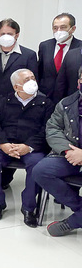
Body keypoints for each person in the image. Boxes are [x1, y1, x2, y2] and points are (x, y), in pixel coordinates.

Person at [0, 69, 53, 226]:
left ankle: (28, 208)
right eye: (27, 80)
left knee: (37, 164)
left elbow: (48, 129)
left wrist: (28, 146)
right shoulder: (4, 102)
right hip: (6, 145)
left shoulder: (46, 103)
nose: (32, 82)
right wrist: (3, 144)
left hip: (31, 148)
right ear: (16, 87)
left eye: (33, 78)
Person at [32, 66, 82, 237]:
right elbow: (53, 128)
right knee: (40, 170)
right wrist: (68, 151)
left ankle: (74, 221)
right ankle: (79, 209)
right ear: (78, 82)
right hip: (69, 154)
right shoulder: (66, 103)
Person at [0, 18, 38, 118]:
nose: (6, 37)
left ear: (17, 35)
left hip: (17, 106)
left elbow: (33, 84)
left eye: (9, 34)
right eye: (3, 34)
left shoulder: (28, 55)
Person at [43, 13, 79, 102]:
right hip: (47, 97)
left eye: (63, 27)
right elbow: (40, 71)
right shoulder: (45, 46)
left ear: (73, 29)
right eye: (55, 28)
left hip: (71, 98)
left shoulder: (80, 47)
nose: (58, 31)